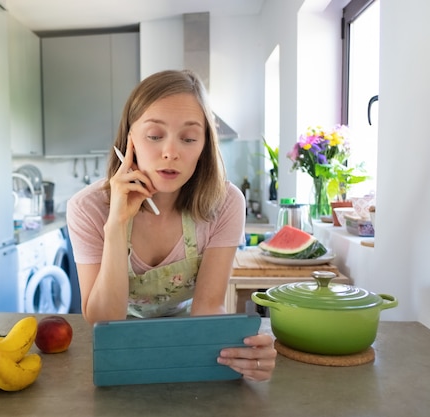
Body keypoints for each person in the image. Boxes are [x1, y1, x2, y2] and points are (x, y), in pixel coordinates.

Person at [67, 69, 276, 381]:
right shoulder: (87, 208)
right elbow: (101, 320)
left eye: (189, 138)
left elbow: (207, 307)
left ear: (204, 145)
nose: (170, 152)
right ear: (130, 139)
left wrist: (242, 351)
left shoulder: (227, 203)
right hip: (116, 348)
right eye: (154, 136)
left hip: (188, 338)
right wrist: (115, 226)